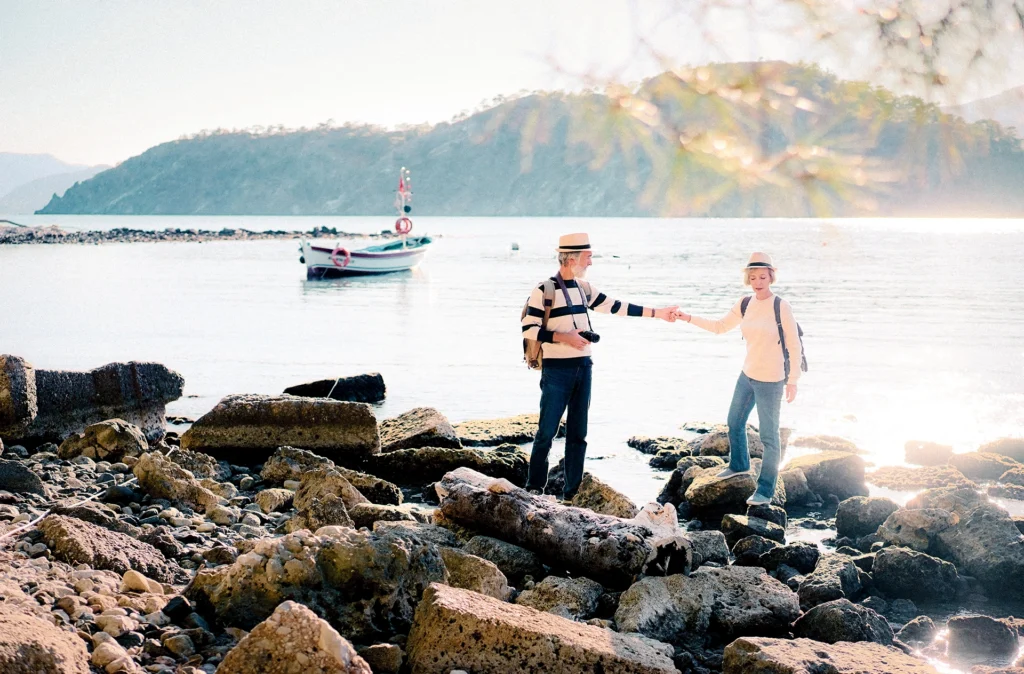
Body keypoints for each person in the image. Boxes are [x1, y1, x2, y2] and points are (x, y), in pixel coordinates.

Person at [521, 233, 680, 502]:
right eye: (588, 257)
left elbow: (615, 306)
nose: (591, 262)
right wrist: (565, 337)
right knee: (546, 432)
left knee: (578, 434)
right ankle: (534, 488)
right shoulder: (544, 290)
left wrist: (658, 312)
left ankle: (570, 494)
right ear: (571, 259)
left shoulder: (583, 288)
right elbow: (529, 328)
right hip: (556, 370)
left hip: (584, 366)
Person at [674, 252, 802, 506]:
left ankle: (765, 490)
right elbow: (720, 326)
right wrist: (688, 317)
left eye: (763, 277)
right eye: (753, 277)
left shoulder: (781, 306)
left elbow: (794, 345)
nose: (758, 281)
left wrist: (793, 380)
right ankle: (739, 465)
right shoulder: (745, 303)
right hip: (748, 375)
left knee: (768, 437)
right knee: (734, 422)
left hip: (771, 380)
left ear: (771, 277)